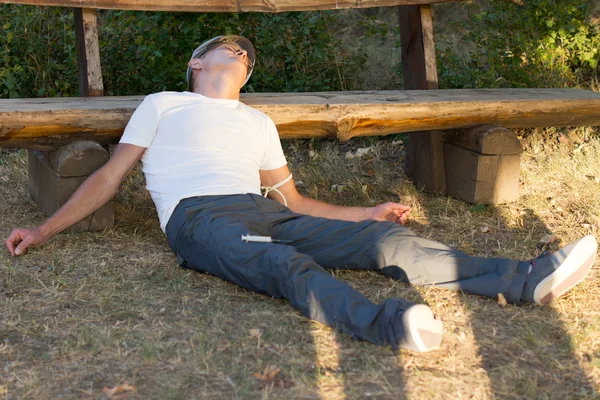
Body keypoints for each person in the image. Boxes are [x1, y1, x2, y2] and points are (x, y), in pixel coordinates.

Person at [5, 35, 597, 353]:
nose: (239, 54)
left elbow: (294, 201)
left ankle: (527, 280)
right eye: (227, 47)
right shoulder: (163, 105)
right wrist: (44, 229)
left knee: (385, 239)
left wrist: (365, 213)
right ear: (197, 63)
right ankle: (390, 326)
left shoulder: (258, 123)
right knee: (281, 263)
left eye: (246, 55)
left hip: (261, 208)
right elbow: (110, 177)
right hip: (199, 219)